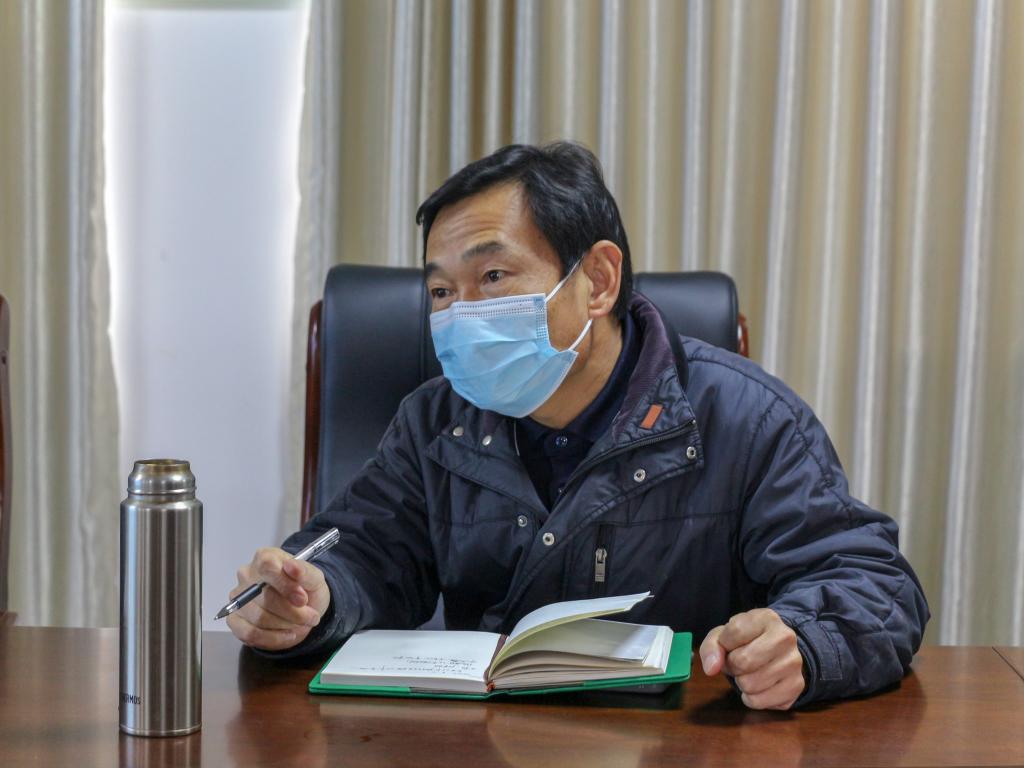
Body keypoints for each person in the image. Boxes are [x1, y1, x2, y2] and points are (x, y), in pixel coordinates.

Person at [226, 141, 929, 710]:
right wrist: (310, 598)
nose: (460, 314)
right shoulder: (437, 421)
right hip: (486, 745)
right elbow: (364, 551)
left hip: (678, 745)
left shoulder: (745, 417)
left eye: (492, 277)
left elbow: (872, 582)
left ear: (597, 280)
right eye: (441, 291)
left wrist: (802, 642)